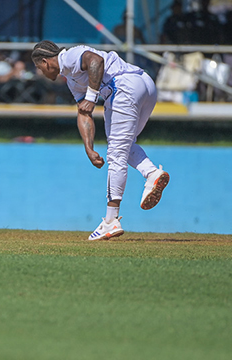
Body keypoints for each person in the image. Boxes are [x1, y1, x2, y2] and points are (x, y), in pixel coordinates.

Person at [31, 40, 169, 241]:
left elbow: (96, 60)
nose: (41, 72)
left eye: (38, 68)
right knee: (123, 145)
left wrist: (92, 95)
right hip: (145, 85)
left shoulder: (69, 57)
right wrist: (89, 147)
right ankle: (152, 173)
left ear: (45, 61)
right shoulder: (71, 79)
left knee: (116, 154)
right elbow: (83, 112)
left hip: (124, 86)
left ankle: (111, 220)